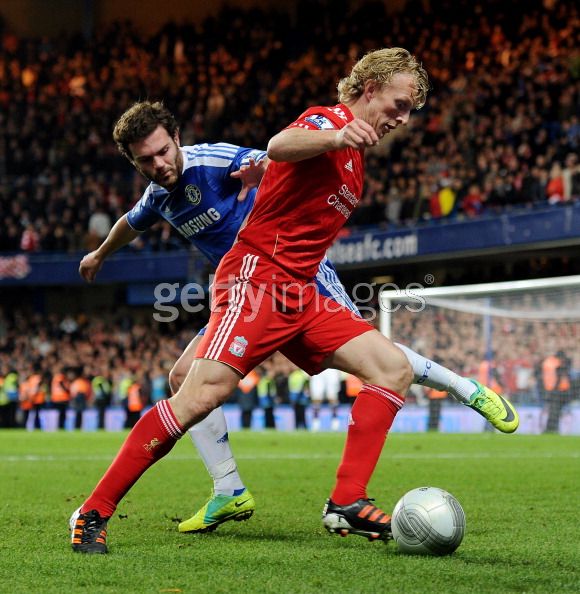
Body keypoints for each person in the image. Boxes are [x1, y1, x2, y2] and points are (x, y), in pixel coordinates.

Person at [71, 57, 519, 554]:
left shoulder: (355, 159)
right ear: (370, 88)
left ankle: (346, 502)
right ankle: (93, 513)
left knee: (390, 369)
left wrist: (273, 167)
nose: (403, 118)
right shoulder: (329, 122)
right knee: (196, 396)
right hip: (258, 279)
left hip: (301, 291)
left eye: (410, 110)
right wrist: (332, 137)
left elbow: (271, 162)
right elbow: (280, 144)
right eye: (399, 104)